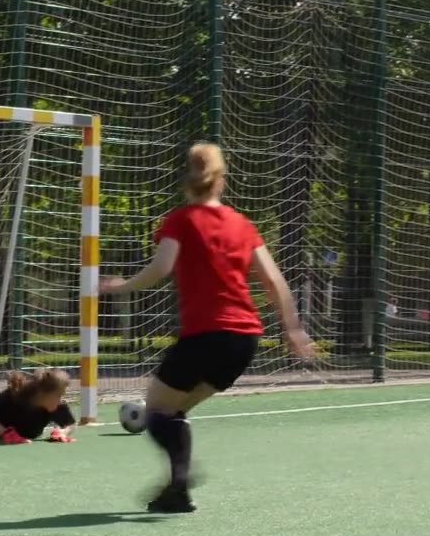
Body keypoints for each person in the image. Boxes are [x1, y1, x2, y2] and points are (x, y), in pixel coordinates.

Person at [99, 141, 315, 514]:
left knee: (156, 411)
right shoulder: (243, 225)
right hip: (244, 340)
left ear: (187, 178)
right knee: (176, 410)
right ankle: (176, 491)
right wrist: (292, 329)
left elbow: (162, 268)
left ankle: (180, 481)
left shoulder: (180, 219)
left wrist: (121, 285)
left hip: (206, 336)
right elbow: (274, 282)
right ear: (222, 181)